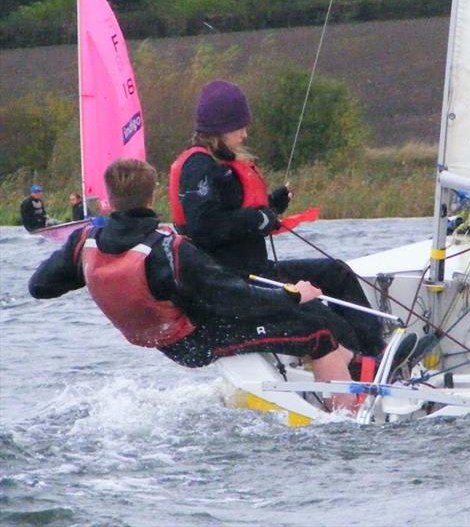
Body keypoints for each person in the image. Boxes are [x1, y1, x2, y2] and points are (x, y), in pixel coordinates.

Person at [29, 159, 364, 412]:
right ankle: (347, 419)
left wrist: (93, 275)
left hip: (164, 342)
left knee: (307, 321)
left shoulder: (83, 243)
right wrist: (293, 295)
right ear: (153, 195)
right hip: (201, 342)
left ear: (108, 199)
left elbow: (39, 287)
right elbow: (237, 299)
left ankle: (355, 366)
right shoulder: (169, 252)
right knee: (319, 329)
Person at [169, 80, 385, 359]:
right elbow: (204, 227)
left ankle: (376, 349)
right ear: (219, 130)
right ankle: (361, 361)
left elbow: (237, 213)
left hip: (259, 269)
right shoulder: (199, 166)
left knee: (337, 272)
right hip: (238, 279)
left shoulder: (222, 162)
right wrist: (257, 219)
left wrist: (272, 205)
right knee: (315, 309)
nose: (245, 134)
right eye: (239, 128)